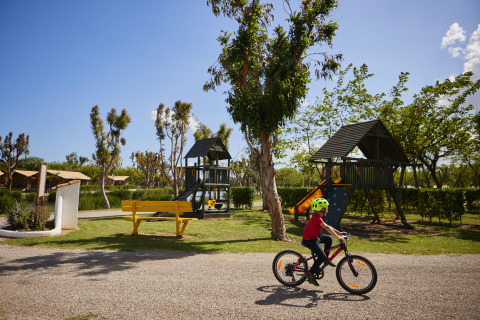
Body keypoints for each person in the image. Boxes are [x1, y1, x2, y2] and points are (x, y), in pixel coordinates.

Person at [301, 197, 345, 286]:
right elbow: (327, 228)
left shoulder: (318, 217)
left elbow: (327, 226)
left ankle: (326, 260)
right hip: (309, 240)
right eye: (327, 208)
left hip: (315, 236)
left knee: (328, 239)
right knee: (321, 256)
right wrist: (338, 237)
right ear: (322, 209)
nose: (328, 210)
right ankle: (310, 273)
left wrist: (339, 232)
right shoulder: (317, 218)